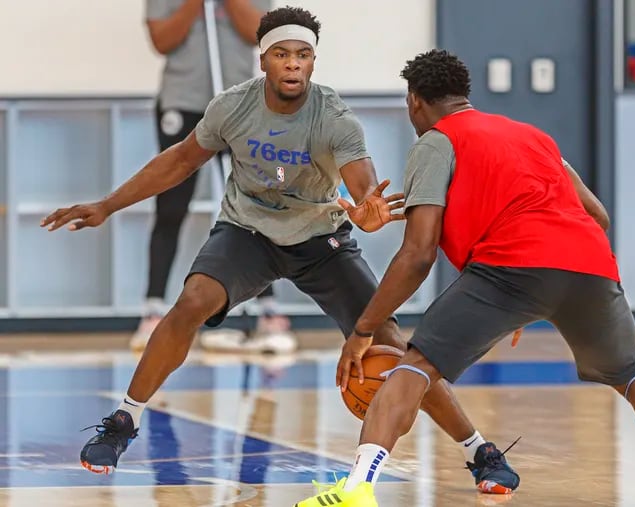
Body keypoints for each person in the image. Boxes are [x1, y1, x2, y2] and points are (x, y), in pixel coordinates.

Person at [41, 8, 518, 493]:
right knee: (192, 301)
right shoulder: (233, 106)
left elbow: (363, 185)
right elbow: (180, 160)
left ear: (313, 62)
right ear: (263, 59)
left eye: (303, 55)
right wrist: (107, 205)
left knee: (392, 343)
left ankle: (478, 451)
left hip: (320, 240)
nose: (293, 64)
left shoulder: (334, 116)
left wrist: (367, 210)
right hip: (247, 233)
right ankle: (123, 421)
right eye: (283, 54)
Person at [294, 49, 635, 507]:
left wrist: (364, 329)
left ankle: (357, 489)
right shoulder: (533, 136)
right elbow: (597, 216)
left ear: (414, 101)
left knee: (413, 368)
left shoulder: (435, 142)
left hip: (509, 270)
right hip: (590, 266)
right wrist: (531, 295)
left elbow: (418, 254)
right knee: (634, 375)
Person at [137, 0, 295, 354]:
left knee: (256, 204)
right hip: (183, 101)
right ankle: (153, 309)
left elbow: (259, 34)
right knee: (171, 205)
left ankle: (267, 308)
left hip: (239, 102)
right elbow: (162, 40)